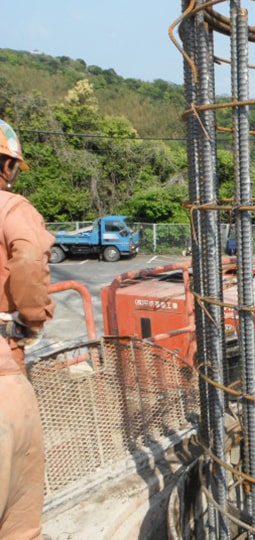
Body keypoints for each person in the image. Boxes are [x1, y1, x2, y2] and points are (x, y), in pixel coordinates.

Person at [0, 118, 54, 538]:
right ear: (6, 167)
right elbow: (31, 255)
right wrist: (31, 319)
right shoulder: (11, 209)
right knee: (18, 522)